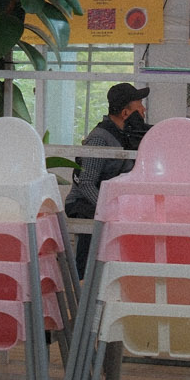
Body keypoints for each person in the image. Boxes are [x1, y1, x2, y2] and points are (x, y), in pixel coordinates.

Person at [64, 82, 149, 276]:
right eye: (140, 107)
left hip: (106, 201)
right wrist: (109, 208)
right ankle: (84, 279)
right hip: (84, 203)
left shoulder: (125, 135)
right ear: (125, 113)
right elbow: (86, 183)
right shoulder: (100, 139)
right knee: (95, 225)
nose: (144, 111)